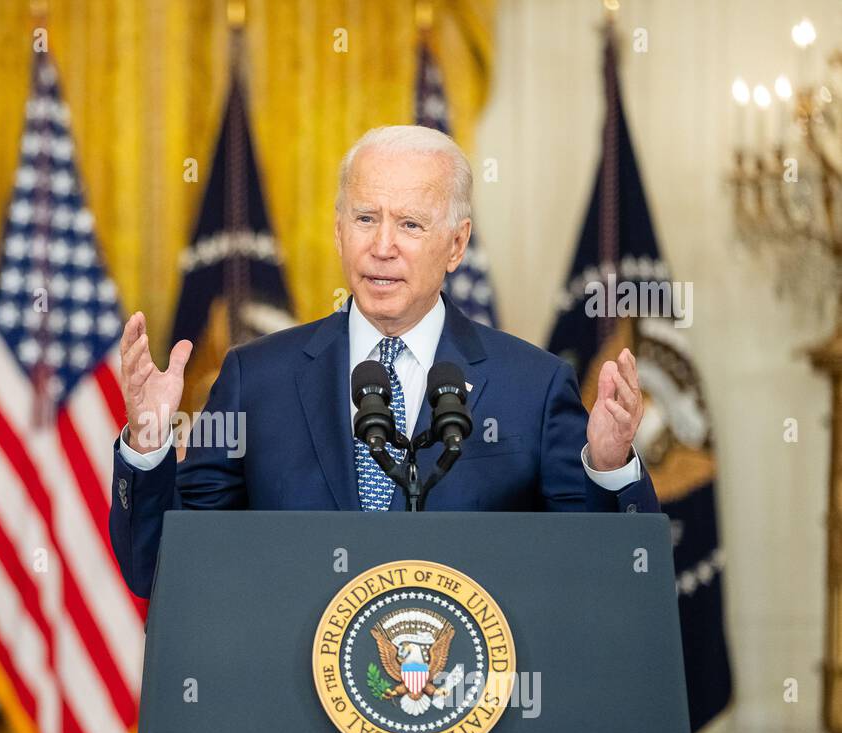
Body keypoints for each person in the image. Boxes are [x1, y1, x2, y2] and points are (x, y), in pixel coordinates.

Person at [110, 125, 658, 599]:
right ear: (338, 229)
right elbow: (159, 567)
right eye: (366, 218)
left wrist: (610, 469)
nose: (382, 246)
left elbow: (606, 578)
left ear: (456, 244)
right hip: (293, 706)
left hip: (471, 702)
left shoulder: (532, 388)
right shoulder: (256, 380)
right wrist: (147, 445)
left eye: (411, 225)